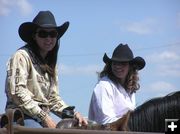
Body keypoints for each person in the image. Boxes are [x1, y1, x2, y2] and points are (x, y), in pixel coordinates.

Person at [5, 10, 87, 128]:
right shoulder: (21, 56)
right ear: (34, 36)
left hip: (40, 118)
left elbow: (52, 99)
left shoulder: (50, 64)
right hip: (21, 117)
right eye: (43, 33)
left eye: (53, 34)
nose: (48, 38)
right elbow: (17, 92)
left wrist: (73, 114)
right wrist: (43, 117)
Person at [88, 44, 146, 124]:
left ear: (130, 66)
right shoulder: (104, 86)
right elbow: (106, 122)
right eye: (115, 63)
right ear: (110, 65)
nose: (118, 66)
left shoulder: (130, 90)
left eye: (123, 63)